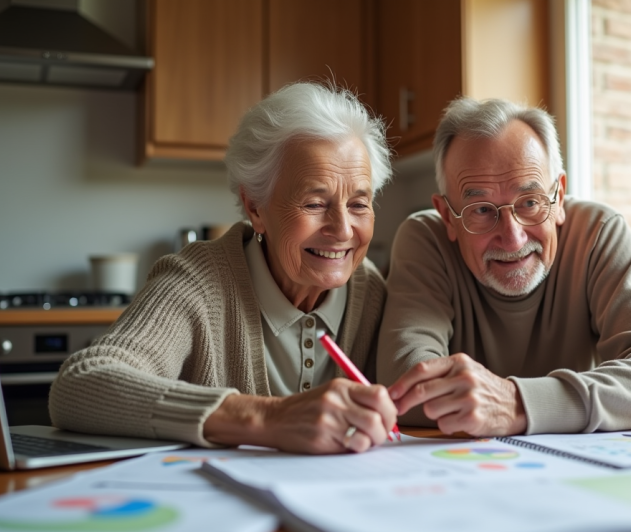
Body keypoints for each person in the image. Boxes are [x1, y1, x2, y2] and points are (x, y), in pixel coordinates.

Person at [50, 82, 397, 454]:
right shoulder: (199, 282)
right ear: (255, 208)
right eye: (314, 204)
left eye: (359, 205)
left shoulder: (373, 292)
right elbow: (80, 385)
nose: (343, 230)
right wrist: (268, 417)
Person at [377, 97, 631, 437]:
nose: (513, 238)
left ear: (559, 197)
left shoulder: (597, 234)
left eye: (530, 202)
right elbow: (405, 388)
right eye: (482, 210)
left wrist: (518, 404)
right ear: (447, 216)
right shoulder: (425, 240)